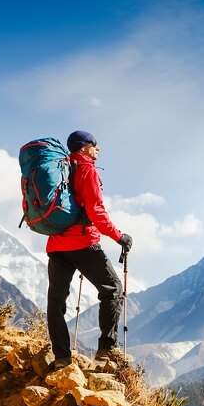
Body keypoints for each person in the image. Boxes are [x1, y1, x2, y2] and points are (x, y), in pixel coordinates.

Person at [46, 130, 133, 368]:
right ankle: (106, 350)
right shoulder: (86, 170)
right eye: (95, 146)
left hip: (56, 244)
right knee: (112, 288)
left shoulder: (59, 168)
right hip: (83, 243)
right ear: (84, 148)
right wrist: (119, 236)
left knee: (56, 302)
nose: (98, 150)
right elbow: (96, 211)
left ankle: (61, 358)